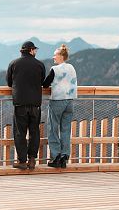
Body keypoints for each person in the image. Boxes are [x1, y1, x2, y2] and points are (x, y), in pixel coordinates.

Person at [6, 40, 46, 170]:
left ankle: (22, 161)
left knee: (20, 133)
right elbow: (42, 81)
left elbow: (9, 83)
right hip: (35, 104)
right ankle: (32, 159)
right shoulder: (40, 65)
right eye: (35, 50)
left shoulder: (13, 64)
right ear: (31, 50)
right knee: (34, 132)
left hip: (20, 103)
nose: (35, 52)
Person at [42, 44, 77, 168]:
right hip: (70, 101)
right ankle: (64, 157)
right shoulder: (72, 67)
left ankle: (56, 156)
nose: (53, 57)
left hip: (58, 101)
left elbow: (45, 84)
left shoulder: (55, 69)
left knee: (53, 129)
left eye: (55, 54)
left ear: (61, 56)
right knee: (66, 130)